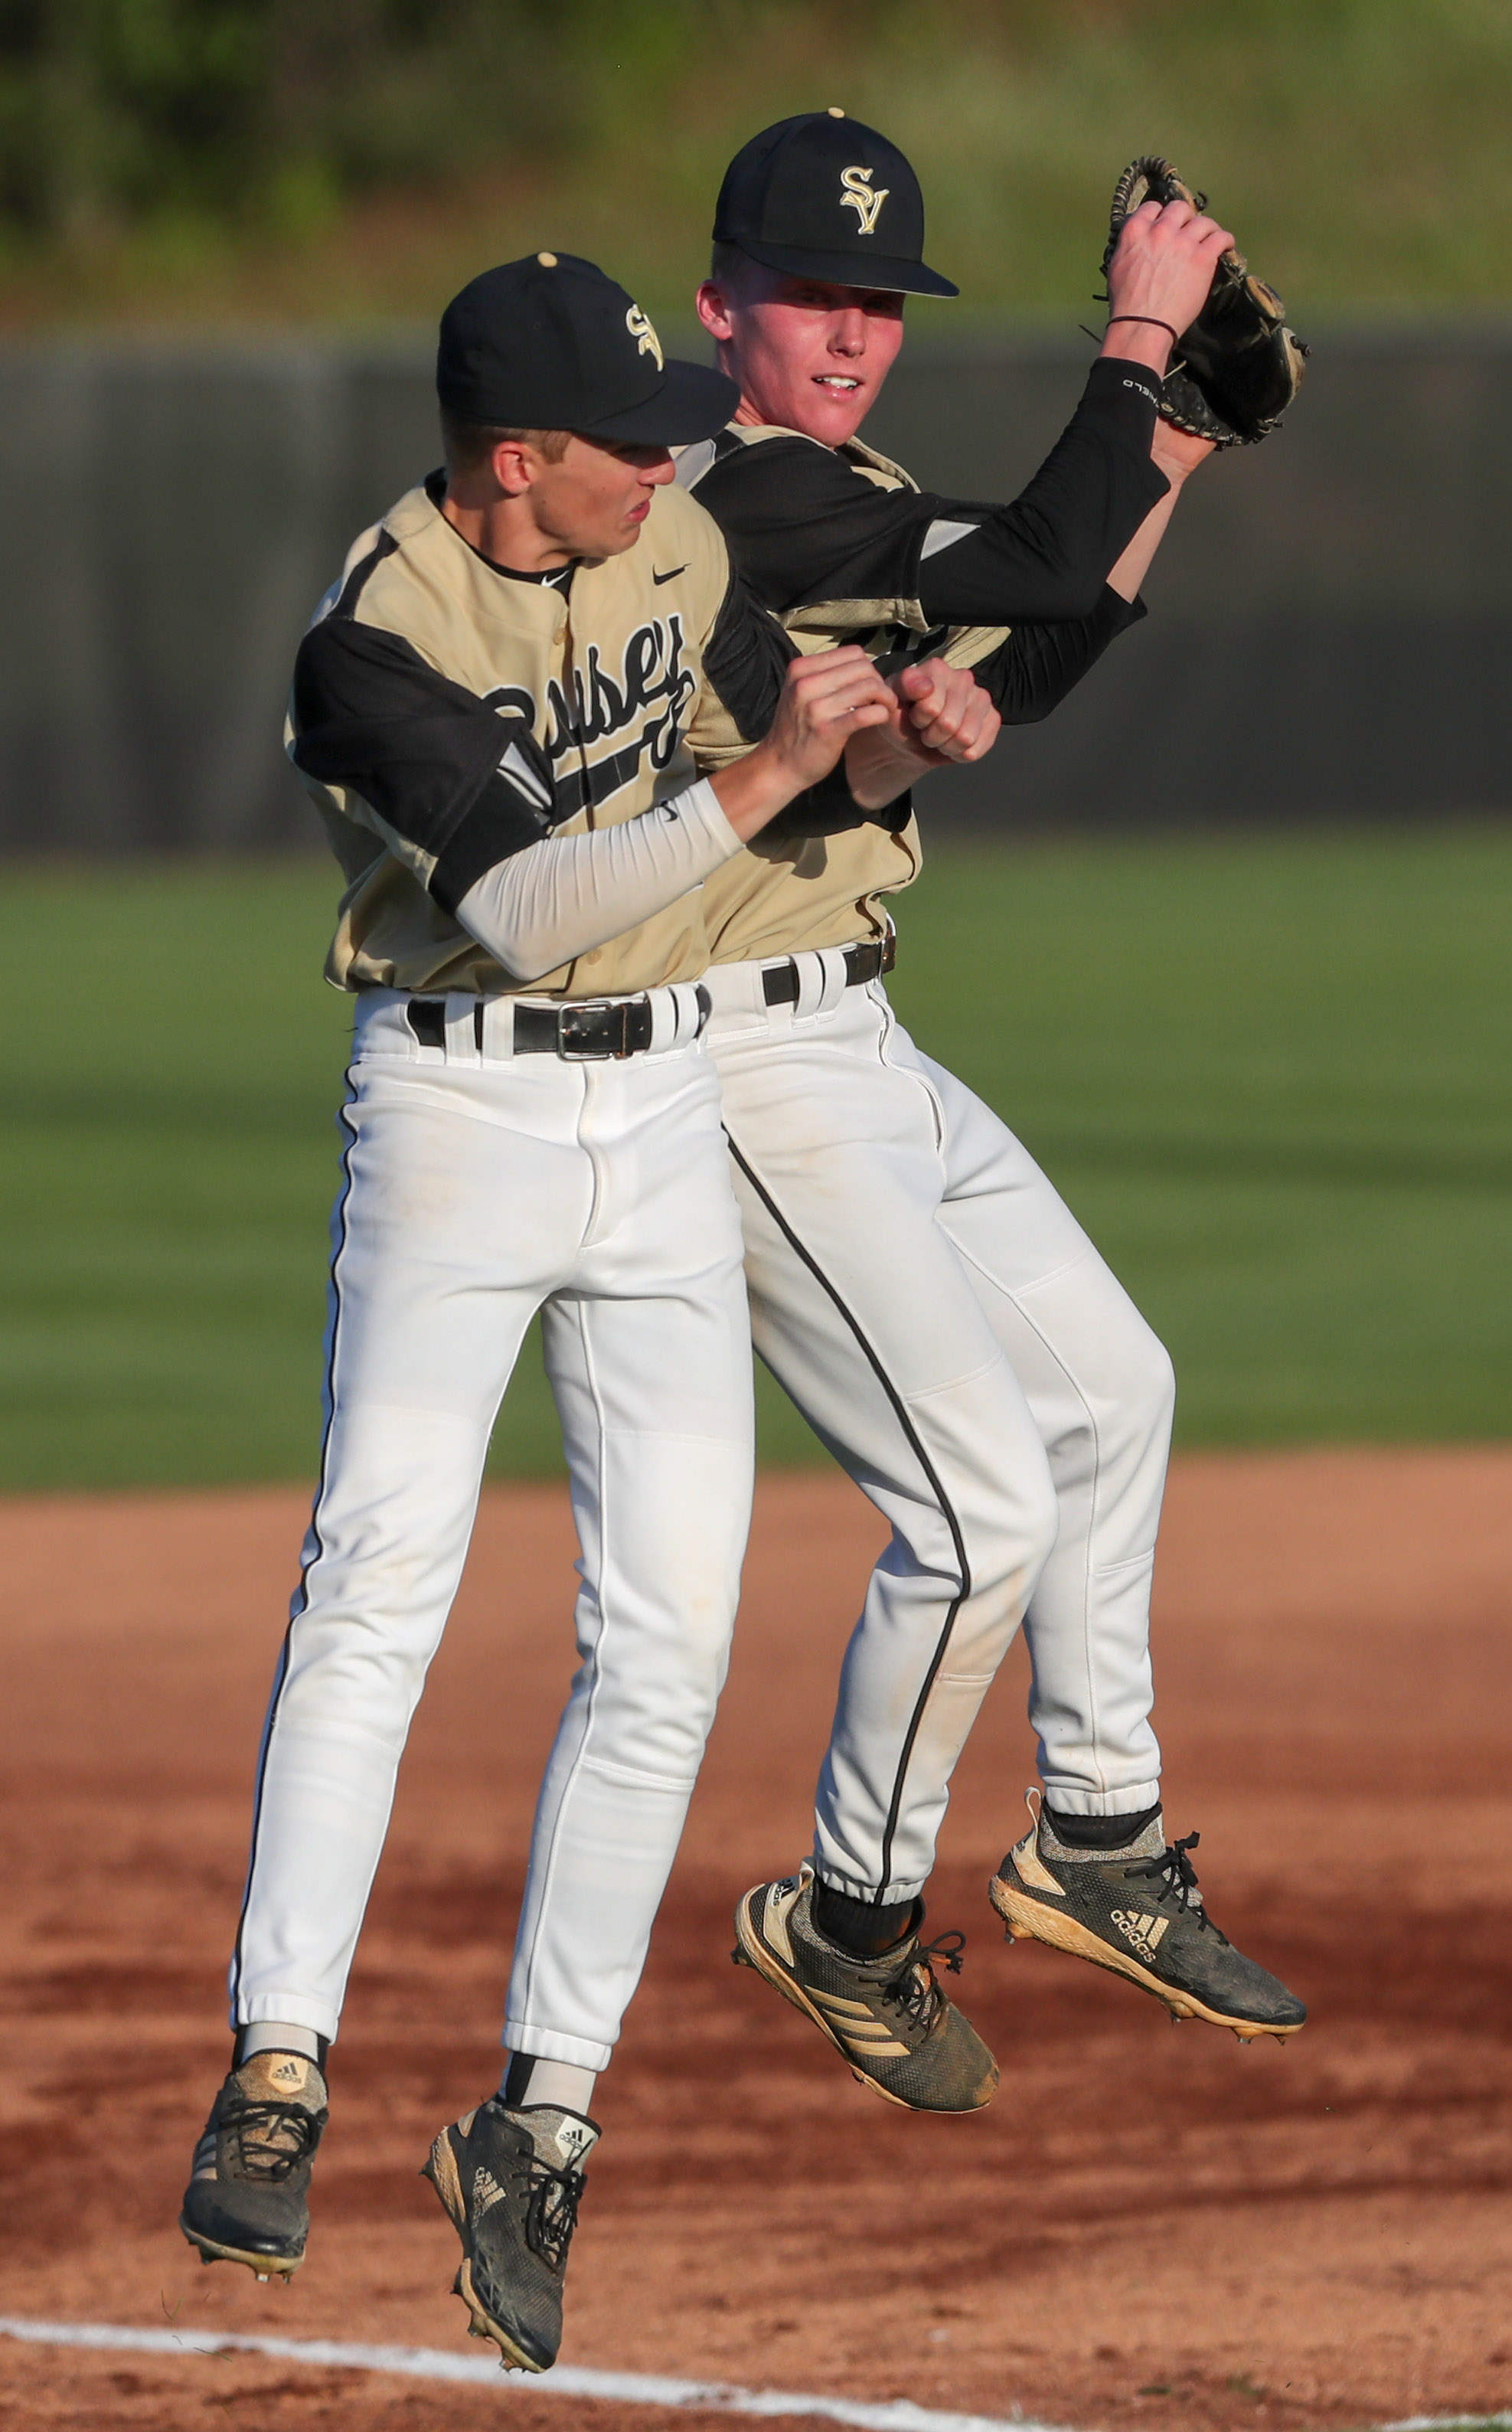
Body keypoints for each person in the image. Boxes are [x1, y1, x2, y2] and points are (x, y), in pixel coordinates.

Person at [177, 248, 996, 2373]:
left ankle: (541, 2115)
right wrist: (755, 781)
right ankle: (280, 2062)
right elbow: (532, 914)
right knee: (383, 1578)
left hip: (668, 1118)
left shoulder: (680, 541)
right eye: (629, 440)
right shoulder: (372, 639)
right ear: (514, 462)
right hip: (458, 1114)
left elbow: (811, 786)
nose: (672, 461)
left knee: (676, 1634)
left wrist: (898, 751)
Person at [677, 113, 1305, 2101]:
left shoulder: (833, 490)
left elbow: (1022, 656)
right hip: (730, 1075)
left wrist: (1176, 453)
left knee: (1114, 1391)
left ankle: (1097, 1839)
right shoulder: (722, 500)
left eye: (882, 301)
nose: (855, 333)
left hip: (860, 1039)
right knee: (980, 1511)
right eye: (815, 298)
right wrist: (1136, 342)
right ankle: (848, 1920)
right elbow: (1027, 560)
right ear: (722, 312)